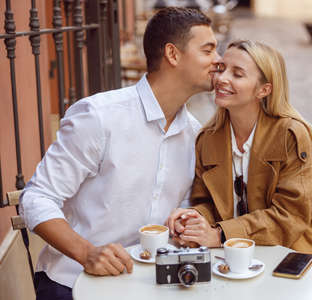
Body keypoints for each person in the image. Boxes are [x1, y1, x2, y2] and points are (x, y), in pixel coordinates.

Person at [19, 7, 220, 300]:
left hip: (149, 284)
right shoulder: (99, 117)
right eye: (208, 50)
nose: (218, 60)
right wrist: (86, 253)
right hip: (72, 281)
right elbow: (36, 198)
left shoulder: (193, 132)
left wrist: (186, 218)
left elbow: (183, 205)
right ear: (173, 55)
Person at [167, 40, 312, 299]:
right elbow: (206, 200)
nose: (222, 78)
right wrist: (195, 219)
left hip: (290, 254)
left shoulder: (291, 135)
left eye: (237, 74)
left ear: (264, 89)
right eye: (221, 68)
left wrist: (220, 233)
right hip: (230, 262)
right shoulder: (208, 138)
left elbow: (291, 216)